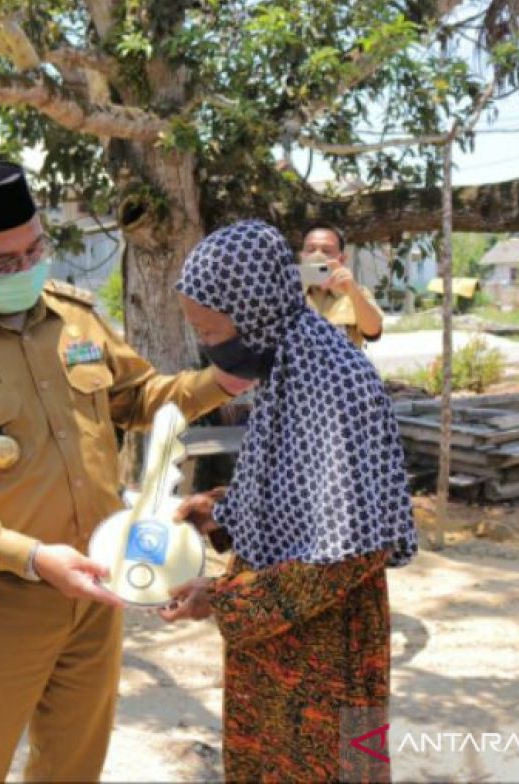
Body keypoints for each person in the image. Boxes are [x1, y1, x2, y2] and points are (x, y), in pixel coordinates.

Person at [0, 161, 249, 782]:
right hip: (1, 608)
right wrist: (30, 556)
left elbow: (141, 398)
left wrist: (218, 382)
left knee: (74, 764)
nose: (25, 268)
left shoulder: (75, 318)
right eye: (3, 263)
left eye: (34, 249)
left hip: (97, 594)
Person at [158, 219, 417, 781]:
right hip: (280, 643)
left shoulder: (333, 380)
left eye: (209, 328)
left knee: (340, 770)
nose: (205, 343)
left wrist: (224, 599)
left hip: (329, 653)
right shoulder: (289, 363)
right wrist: (220, 509)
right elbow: (299, 492)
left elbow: (349, 551)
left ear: (252, 309)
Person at [299, 221, 384, 348]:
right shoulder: (287, 293)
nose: (317, 255)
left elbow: (373, 333)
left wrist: (352, 291)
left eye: (326, 250)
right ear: (302, 256)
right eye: (311, 250)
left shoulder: (356, 293)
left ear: (342, 259)